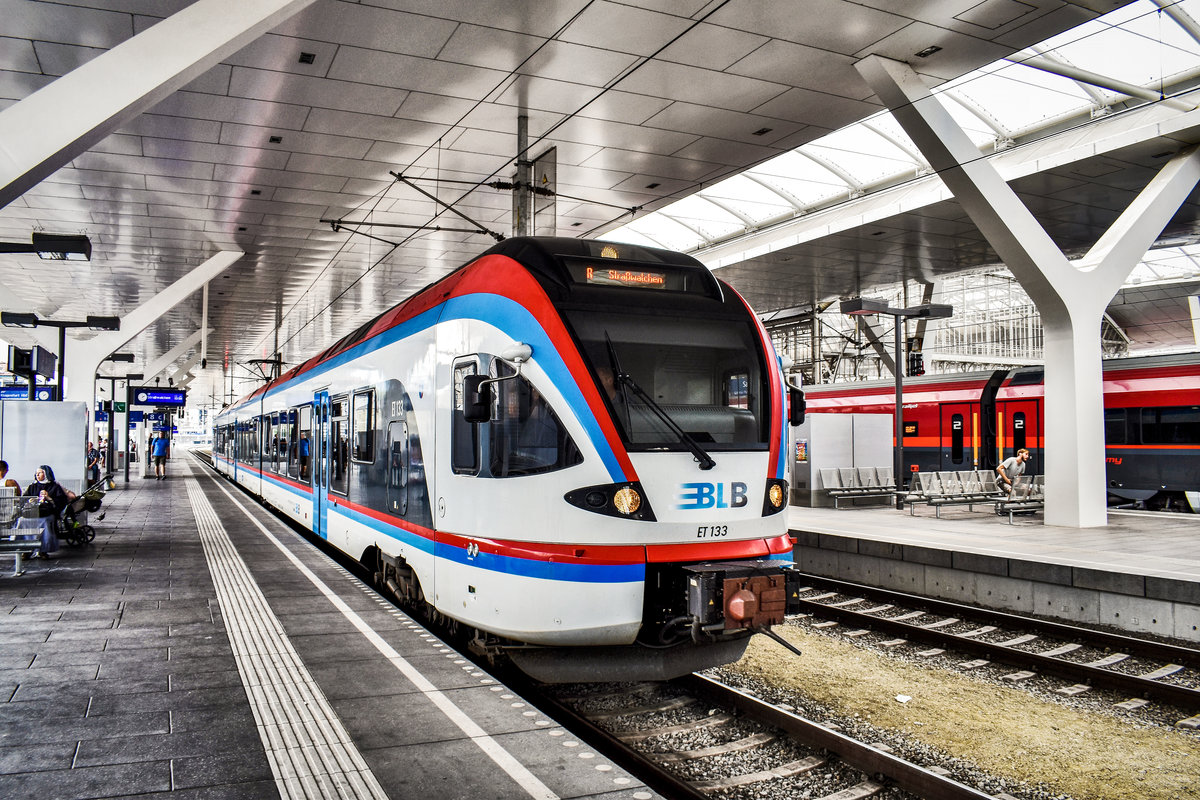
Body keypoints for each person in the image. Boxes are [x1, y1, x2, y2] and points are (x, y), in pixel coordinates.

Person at [21, 465, 69, 557]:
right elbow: (24, 499)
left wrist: (49, 498)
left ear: (46, 474)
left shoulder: (55, 487)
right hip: (32, 512)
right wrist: (30, 500)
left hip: (47, 513)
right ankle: (26, 549)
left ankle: (43, 549)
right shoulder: (32, 487)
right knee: (22, 521)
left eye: (40, 473)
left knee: (44, 522)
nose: (37, 475)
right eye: (36, 473)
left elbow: (62, 502)